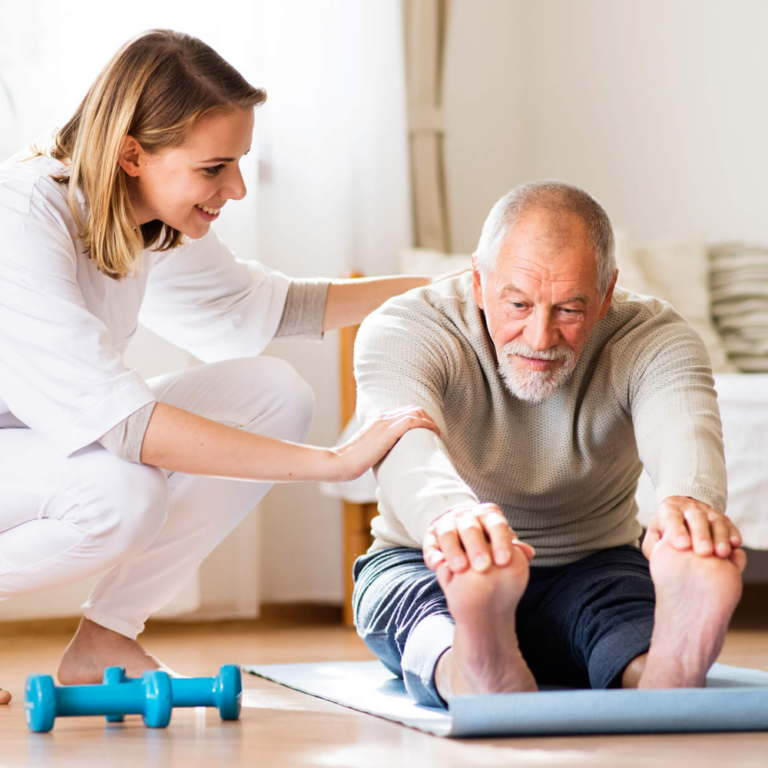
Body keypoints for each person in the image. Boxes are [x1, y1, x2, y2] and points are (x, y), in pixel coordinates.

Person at [0, 29, 441, 704]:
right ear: (131, 154)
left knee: (272, 393)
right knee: (122, 496)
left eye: (238, 163)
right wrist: (335, 461)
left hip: (24, 445)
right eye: (214, 168)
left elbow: (270, 308)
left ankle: (105, 638)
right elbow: (120, 424)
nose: (235, 188)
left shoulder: (141, 216)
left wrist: (450, 289)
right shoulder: (23, 212)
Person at [352, 180, 746, 708]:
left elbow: (684, 427)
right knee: (419, 614)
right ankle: (468, 665)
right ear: (478, 281)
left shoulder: (655, 337)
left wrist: (687, 512)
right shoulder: (405, 327)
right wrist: (455, 524)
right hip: (431, 561)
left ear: (607, 292)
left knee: (621, 613)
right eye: (517, 303)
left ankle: (664, 672)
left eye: (569, 310)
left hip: (593, 566)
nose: (539, 338)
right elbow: (406, 447)